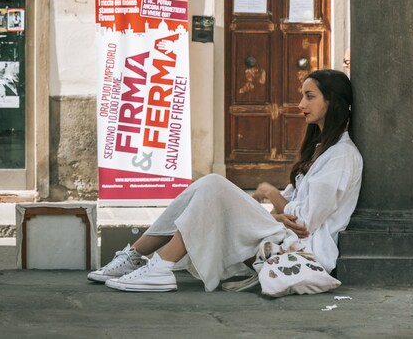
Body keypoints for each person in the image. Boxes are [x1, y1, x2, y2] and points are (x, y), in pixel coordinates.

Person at [89, 69, 362, 292]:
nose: (301, 104)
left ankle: (160, 266)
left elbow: (304, 224)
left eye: (309, 96)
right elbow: (291, 208)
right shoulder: (319, 148)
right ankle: (136, 256)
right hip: (284, 231)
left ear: (332, 102)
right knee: (209, 184)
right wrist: (278, 213)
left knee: (214, 186)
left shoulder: (340, 156)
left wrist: (269, 192)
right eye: (302, 96)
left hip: (305, 247)